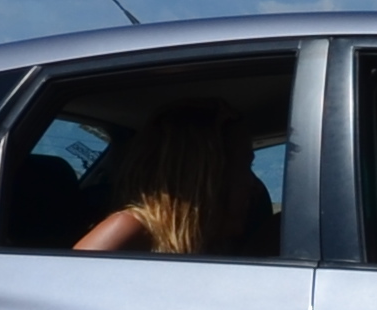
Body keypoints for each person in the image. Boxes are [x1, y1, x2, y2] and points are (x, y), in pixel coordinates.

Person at [73, 103, 275, 256]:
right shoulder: (131, 229)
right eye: (244, 167)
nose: (255, 186)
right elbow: (67, 288)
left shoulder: (216, 244)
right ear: (204, 176)